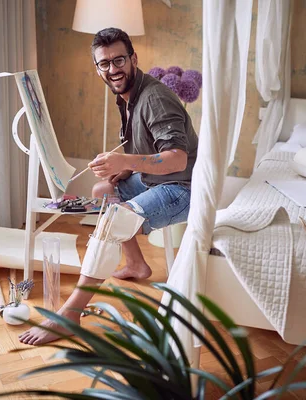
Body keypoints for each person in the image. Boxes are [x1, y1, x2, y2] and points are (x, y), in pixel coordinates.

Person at [19, 28, 198, 346]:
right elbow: (146, 148)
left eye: (119, 60)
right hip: (155, 180)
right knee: (103, 191)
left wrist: (126, 161)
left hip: (181, 187)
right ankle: (136, 265)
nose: (113, 69)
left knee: (114, 221)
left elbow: (177, 160)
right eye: (104, 63)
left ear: (133, 59)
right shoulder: (127, 96)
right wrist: (125, 168)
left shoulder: (155, 98)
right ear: (96, 67)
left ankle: (70, 314)